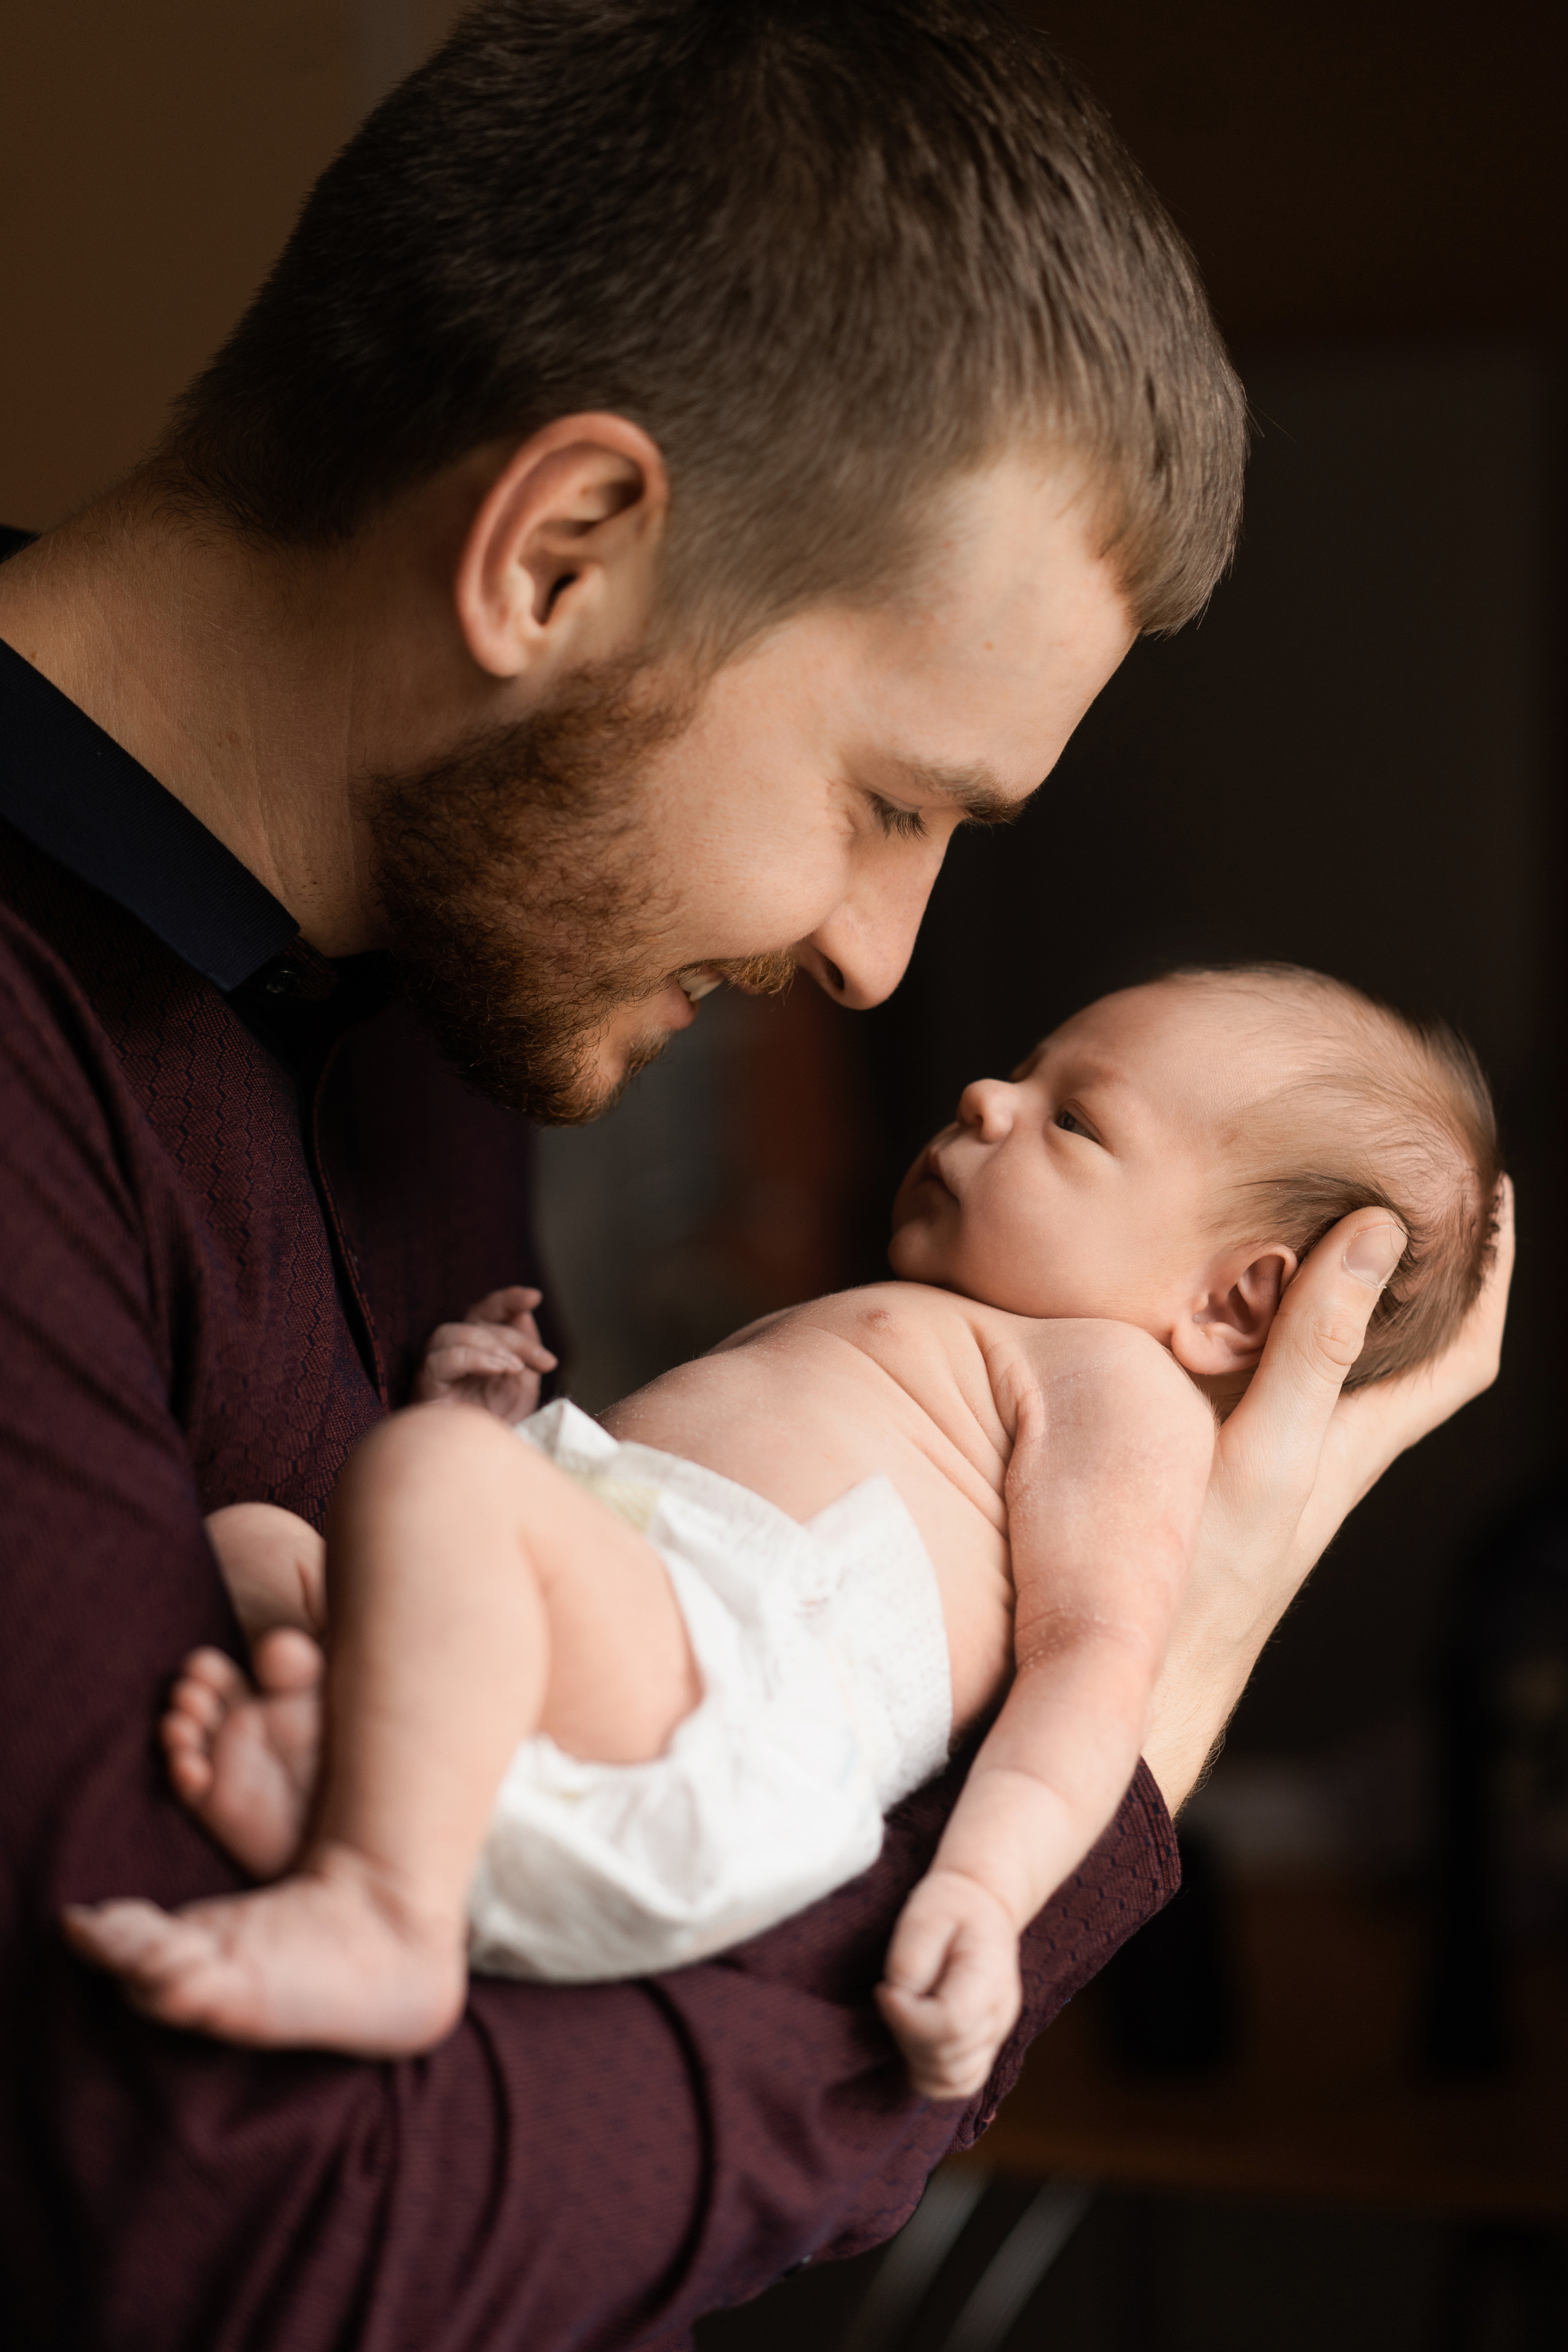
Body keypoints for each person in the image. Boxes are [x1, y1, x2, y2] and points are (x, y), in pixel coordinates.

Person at [0, 4, 1509, 2346]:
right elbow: (254, 2239)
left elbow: (610, 1876)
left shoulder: (429, 1006)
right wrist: (1180, 1652)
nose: (878, 949)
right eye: (891, 797)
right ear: (564, 550)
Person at [67, 965, 1503, 2105]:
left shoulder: (1108, 1385)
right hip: (607, 1661)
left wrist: (986, 1893)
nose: (987, 1093)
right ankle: (373, 1800)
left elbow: (1095, 1667)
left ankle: (377, 1913)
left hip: (719, 1713)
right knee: (262, 1542)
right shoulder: (936, 1333)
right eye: (1024, 1071)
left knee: (416, 1494)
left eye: (1075, 1120)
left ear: (1237, 1306)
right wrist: (499, 1434)